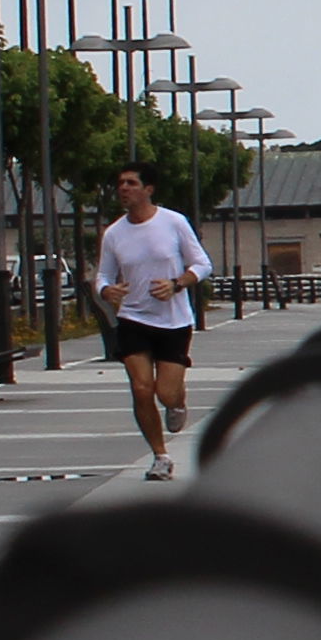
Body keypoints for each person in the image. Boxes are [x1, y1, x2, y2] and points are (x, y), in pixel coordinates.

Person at [93, 162, 214, 479]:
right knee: (141, 388)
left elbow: (202, 264)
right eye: (120, 183)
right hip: (133, 317)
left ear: (149, 189)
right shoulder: (114, 233)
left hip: (173, 321)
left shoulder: (173, 222)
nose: (124, 188)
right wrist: (107, 290)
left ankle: (177, 401)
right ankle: (160, 456)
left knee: (164, 392)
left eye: (131, 183)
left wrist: (177, 284)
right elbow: (103, 274)